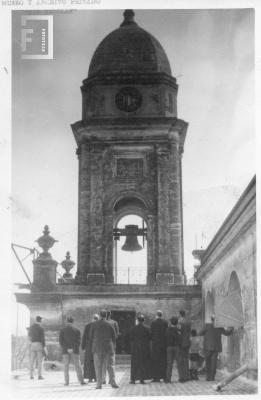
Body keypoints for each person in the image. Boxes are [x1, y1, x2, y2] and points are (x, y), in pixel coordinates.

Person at [89, 309, 119, 389]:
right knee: (110, 366)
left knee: (98, 366)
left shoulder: (94, 324)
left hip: (97, 348)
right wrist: (113, 347)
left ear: (100, 315)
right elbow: (114, 337)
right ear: (106, 315)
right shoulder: (110, 324)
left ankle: (99, 385)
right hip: (108, 348)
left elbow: (91, 337)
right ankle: (113, 383)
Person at [198, 315, 234, 381]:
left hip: (207, 347)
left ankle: (208, 377)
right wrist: (231, 329)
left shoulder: (207, 325)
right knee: (213, 362)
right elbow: (226, 333)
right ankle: (212, 377)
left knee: (208, 362)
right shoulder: (219, 327)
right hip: (216, 347)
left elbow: (200, 333)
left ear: (211, 320)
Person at [59, 316, 85, 386]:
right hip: (75, 350)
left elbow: (61, 341)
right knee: (78, 366)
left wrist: (67, 348)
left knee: (66, 366)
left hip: (65, 351)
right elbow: (78, 341)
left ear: (67, 321)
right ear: (73, 322)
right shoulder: (77, 330)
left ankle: (67, 382)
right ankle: (81, 381)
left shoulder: (62, 330)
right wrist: (72, 348)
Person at [129, 314, 151, 384]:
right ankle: (142, 379)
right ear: (143, 320)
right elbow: (150, 337)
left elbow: (131, 338)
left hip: (135, 348)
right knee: (143, 363)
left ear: (138, 320)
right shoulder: (147, 328)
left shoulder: (133, 328)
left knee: (134, 364)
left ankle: (133, 379)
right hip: (144, 348)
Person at [102, 310, 120, 384]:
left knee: (103, 363)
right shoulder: (114, 323)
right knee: (111, 364)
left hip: (103, 346)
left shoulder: (102, 323)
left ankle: (103, 380)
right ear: (110, 315)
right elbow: (116, 335)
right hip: (111, 345)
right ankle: (111, 380)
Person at [150, 310, 168, 382]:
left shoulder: (153, 323)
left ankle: (156, 377)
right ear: (162, 315)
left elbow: (151, 334)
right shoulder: (165, 322)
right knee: (163, 360)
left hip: (156, 344)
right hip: (163, 344)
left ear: (156, 315)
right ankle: (164, 376)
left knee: (156, 360)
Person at [28, 315, 47, 380]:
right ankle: (39, 376)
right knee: (40, 361)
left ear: (36, 320)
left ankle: (31, 375)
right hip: (39, 344)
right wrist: (44, 347)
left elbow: (29, 336)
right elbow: (42, 339)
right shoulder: (41, 328)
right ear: (40, 321)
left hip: (32, 344)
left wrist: (31, 343)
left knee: (32, 361)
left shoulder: (31, 327)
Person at [82, 314, 99, 382]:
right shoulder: (99, 326)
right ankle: (95, 377)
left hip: (89, 347)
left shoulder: (88, 326)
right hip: (96, 346)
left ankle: (90, 377)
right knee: (96, 362)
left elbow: (84, 337)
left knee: (89, 362)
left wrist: (83, 347)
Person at [165, 316, 181, 383]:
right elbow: (180, 339)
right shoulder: (178, 330)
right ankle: (181, 377)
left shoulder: (167, 330)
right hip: (177, 347)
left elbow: (165, 337)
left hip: (169, 347)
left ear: (171, 322)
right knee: (179, 363)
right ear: (177, 323)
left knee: (169, 364)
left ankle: (168, 379)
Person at [177, 310, 191, 382]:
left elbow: (179, 332)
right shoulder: (188, 322)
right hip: (187, 342)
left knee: (181, 360)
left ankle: (182, 377)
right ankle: (187, 376)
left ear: (180, 314)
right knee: (186, 359)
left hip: (181, 343)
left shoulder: (179, 322)